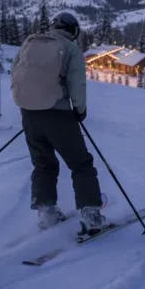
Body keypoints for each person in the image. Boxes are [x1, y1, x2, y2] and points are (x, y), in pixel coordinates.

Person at [11, 12, 106, 235]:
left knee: (43, 164)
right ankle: (91, 215)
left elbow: (16, 72)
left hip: (29, 114)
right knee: (81, 163)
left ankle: (46, 213)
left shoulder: (31, 42)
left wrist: (29, 104)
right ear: (73, 30)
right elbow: (77, 84)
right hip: (58, 114)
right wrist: (79, 111)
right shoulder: (71, 48)